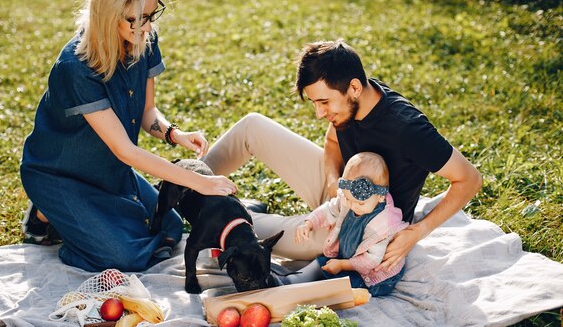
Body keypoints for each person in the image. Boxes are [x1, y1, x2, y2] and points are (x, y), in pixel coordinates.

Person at [19, 0, 236, 272]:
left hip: (108, 169)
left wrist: (173, 133)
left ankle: (83, 218)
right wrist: (197, 182)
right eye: (135, 18)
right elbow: (125, 150)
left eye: (151, 14)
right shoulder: (75, 68)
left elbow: (148, 113)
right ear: (108, 14)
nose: (146, 26)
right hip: (60, 175)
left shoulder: (145, 39)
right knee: (123, 257)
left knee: (170, 229)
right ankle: (46, 212)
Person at [202, 39, 482, 272]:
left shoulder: (408, 128)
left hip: (358, 231)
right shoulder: (353, 102)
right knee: (253, 126)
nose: (320, 113)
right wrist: (332, 180)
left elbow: (469, 179)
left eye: (324, 102)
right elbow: (332, 142)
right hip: (338, 194)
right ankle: (187, 183)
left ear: (355, 88)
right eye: (315, 103)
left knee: (237, 223)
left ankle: (212, 211)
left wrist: (417, 232)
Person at [270, 152, 408, 296]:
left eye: (360, 203)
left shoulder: (382, 225)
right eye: (348, 200)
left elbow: (371, 261)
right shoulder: (349, 198)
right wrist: (309, 223)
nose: (353, 206)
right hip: (349, 258)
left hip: (373, 277)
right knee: (322, 263)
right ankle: (289, 281)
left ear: (380, 196)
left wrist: (342, 265)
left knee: (338, 281)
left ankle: (306, 293)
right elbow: (329, 209)